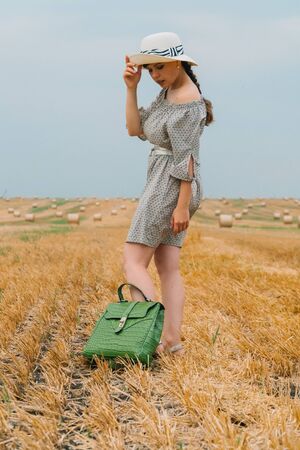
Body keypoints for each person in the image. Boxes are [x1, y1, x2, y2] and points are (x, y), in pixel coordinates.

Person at [123, 32, 214, 357]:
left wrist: (180, 206)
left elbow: (186, 158)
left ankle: (148, 335)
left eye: (159, 67)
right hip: (166, 182)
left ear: (178, 62)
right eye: (149, 69)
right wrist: (131, 89)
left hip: (172, 185)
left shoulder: (188, 101)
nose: (154, 75)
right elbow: (135, 129)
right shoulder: (168, 93)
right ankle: (172, 342)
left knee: (133, 262)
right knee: (167, 265)